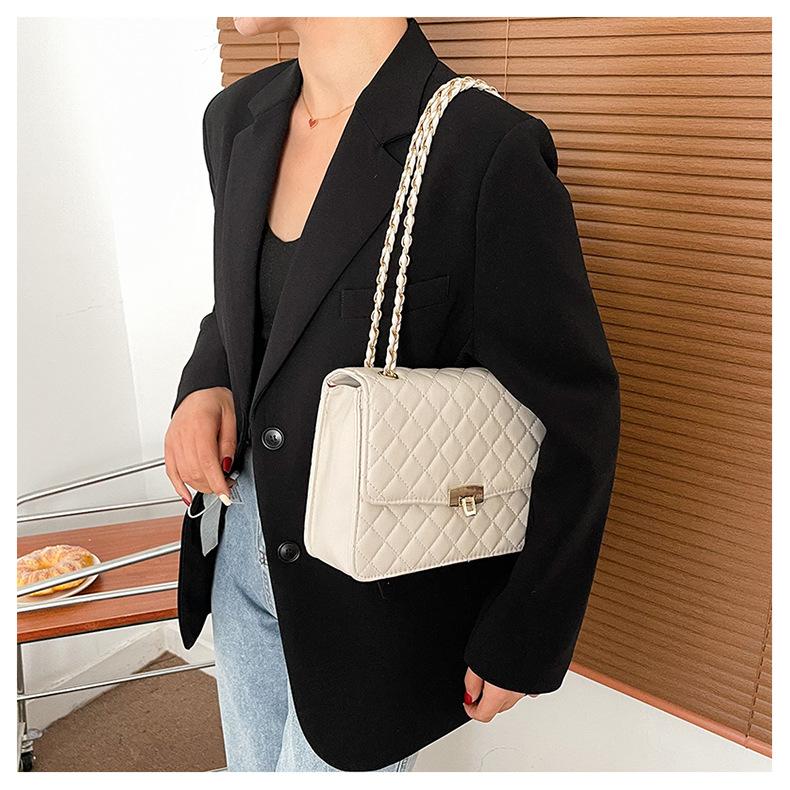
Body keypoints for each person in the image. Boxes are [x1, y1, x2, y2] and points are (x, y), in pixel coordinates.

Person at [165, 16, 620, 772]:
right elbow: (246, 302)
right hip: (243, 546)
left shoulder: (480, 147)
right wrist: (206, 380)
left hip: (372, 600)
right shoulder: (237, 117)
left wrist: (525, 631)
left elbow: (578, 411)